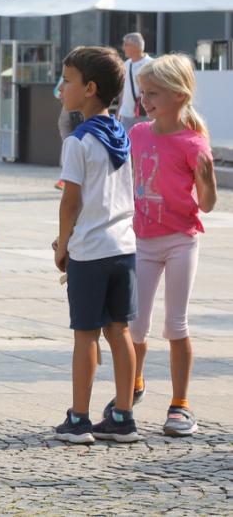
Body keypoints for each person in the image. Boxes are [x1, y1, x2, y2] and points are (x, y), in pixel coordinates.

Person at [125, 55, 217, 438]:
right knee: (135, 326)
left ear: (179, 95)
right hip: (142, 241)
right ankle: (129, 391)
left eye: (154, 93)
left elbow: (207, 204)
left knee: (175, 324)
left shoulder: (193, 143)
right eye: (143, 92)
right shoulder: (137, 135)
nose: (146, 99)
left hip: (181, 240)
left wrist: (207, 177)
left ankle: (180, 404)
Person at [52, 46, 140, 444]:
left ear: (88, 88)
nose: (61, 87)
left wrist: (62, 244)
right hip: (124, 247)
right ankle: (123, 415)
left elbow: (71, 200)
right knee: (119, 331)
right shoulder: (120, 133)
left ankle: (79, 418)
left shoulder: (78, 141)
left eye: (67, 80)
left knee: (85, 334)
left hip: (89, 249)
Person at [117, 32, 152, 130]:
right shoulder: (126, 64)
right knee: (127, 143)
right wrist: (118, 111)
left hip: (145, 113)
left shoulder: (151, 64)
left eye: (126, 44)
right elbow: (123, 90)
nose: (123, 48)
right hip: (126, 114)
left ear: (136, 46)